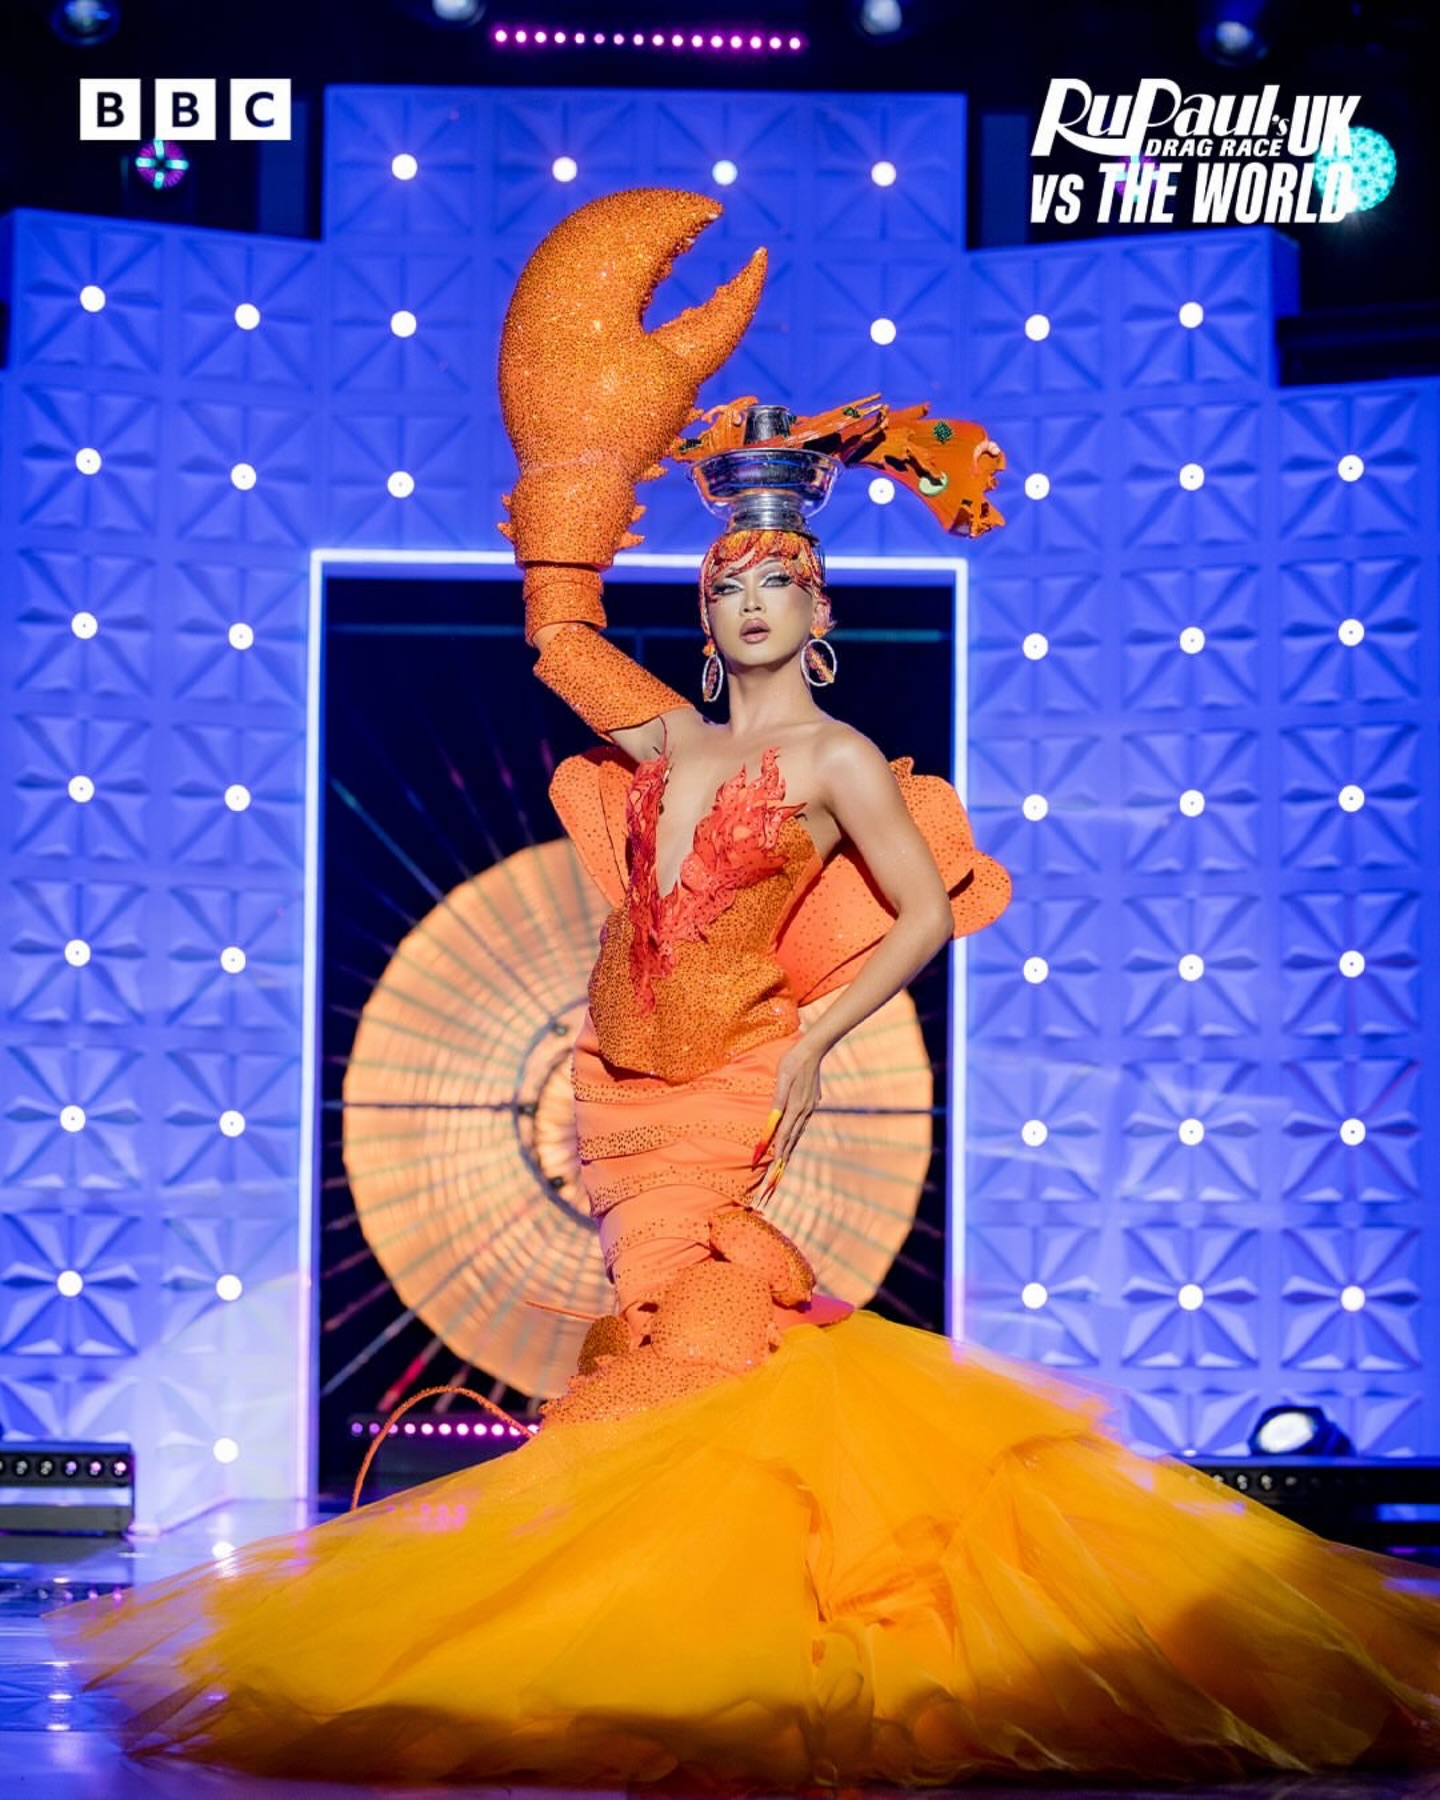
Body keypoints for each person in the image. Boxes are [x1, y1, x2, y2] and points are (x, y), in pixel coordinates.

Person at [44, 187, 1440, 1787]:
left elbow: (920, 917)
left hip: (729, 1098)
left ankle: (707, 1668)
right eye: (724, 585)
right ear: (706, 616)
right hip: (616, 1111)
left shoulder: (837, 760)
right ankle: (734, 1638)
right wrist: (581, 461)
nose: (747, 601)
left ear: (818, 611)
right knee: (713, 1380)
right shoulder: (668, 739)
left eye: (774, 580)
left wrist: (818, 1038)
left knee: (694, 1362)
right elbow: (559, 631)